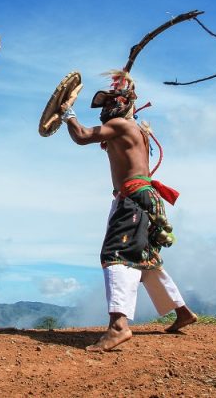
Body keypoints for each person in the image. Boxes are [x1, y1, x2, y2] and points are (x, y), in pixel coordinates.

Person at [60, 70, 196, 350]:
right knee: (143, 258)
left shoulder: (122, 125)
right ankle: (182, 312)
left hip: (133, 198)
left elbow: (82, 135)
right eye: (104, 105)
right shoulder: (133, 130)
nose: (106, 109)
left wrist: (67, 112)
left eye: (110, 103)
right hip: (141, 197)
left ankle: (119, 326)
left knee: (116, 255)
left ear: (124, 104)